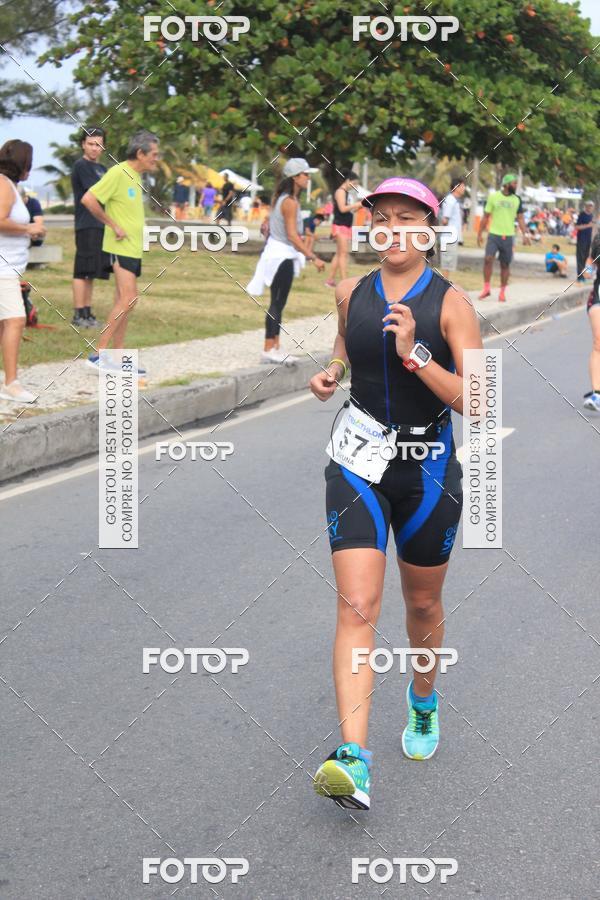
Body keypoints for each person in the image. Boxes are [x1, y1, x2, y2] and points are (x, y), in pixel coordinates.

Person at [309, 176, 482, 810]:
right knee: (357, 605)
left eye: (408, 218)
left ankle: (424, 697)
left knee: (421, 607)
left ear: (430, 230)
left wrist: (415, 355)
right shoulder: (351, 291)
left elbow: (482, 403)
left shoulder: (453, 303)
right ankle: (353, 759)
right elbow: (344, 353)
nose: (392, 228)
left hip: (427, 467)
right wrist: (330, 375)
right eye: (382, 217)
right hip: (356, 457)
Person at [81, 130, 160, 374]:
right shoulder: (118, 172)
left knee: (126, 301)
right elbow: (88, 199)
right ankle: (99, 355)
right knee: (128, 298)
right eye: (154, 155)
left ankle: (116, 356)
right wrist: (113, 225)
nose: (157, 159)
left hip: (133, 248)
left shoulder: (136, 176)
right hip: (119, 247)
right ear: (140, 153)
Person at [246, 158, 325, 365]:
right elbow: (292, 235)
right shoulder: (289, 201)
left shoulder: (284, 198)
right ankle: (268, 348)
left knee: (278, 302)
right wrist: (313, 257)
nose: (308, 178)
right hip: (282, 255)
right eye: (306, 175)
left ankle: (275, 346)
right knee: (277, 303)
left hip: (279, 253)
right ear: (295, 177)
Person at [0, 140, 45, 403]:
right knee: (16, 320)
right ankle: (11, 383)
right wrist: (28, 229)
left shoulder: (12, 187)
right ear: (21, 162)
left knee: (5, 323)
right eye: (29, 161)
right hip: (2, 267)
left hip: (9, 266)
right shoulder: (4, 185)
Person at [71, 126, 110, 329]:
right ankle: (78, 314)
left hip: (101, 225)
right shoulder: (81, 166)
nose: (95, 148)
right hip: (87, 224)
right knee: (82, 270)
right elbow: (96, 194)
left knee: (91, 271)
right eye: (91, 144)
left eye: (99, 144)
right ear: (83, 145)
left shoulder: (102, 169)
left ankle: (87, 312)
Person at [477, 172, 530, 303]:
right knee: (488, 259)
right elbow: (486, 216)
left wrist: (525, 234)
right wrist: (479, 233)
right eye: (514, 183)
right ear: (506, 184)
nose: (516, 185)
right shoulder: (493, 197)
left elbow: (521, 218)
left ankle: (502, 292)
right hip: (494, 234)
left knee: (505, 265)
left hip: (509, 236)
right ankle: (486, 288)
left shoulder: (517, 199)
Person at [325, 170, 362, 288]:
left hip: (345, 225)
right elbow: (342, 209)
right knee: (343, 254)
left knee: (339, 253)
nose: (355, 186)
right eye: (354, 183)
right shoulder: (340, 192)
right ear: (347, 181)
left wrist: (359, 206)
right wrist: (357, 205)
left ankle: (330, 280)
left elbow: (348, 210)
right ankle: (344, 282)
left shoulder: (346, 193)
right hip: (340, 226)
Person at [584, 229, 600, 412]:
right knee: (598, 342)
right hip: (598, 296)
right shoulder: (599, 240)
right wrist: (587, 269)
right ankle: (597, 394)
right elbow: (591, 260)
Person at [438, 178, 465, 278]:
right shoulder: (450, 200)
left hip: (452, 237)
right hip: (448, 237)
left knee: (448, 265)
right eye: (462, 186)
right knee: (446, 265)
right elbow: (445, 220)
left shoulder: (454, 201)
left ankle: (444, 286)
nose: (464, 188)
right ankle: (443, 288)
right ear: (456, 187)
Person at [575, 201, 594, 282]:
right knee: (580, 257)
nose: (590, 207)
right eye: (588, 206)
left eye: (591, 206)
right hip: (581, 239)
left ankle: (585, 275)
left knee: (586, 258)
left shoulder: (592, 216)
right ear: (586, 206)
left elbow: (592, 228)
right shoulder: (582, 215)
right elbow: (577, 227)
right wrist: (587, 225)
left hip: (588, 239)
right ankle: (580, 276)